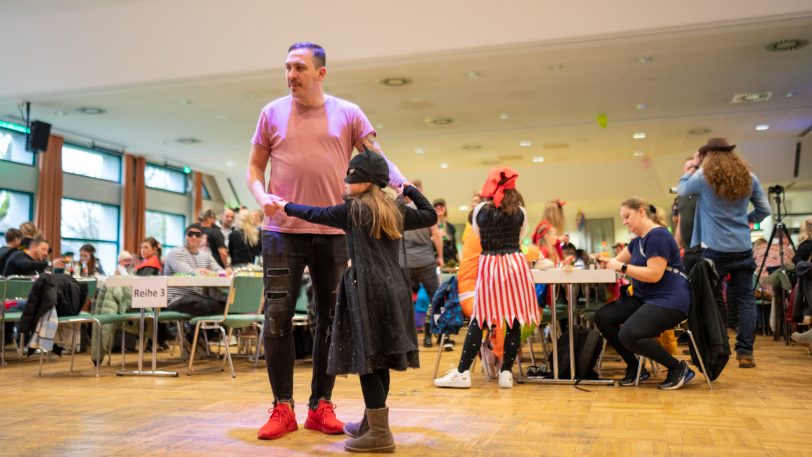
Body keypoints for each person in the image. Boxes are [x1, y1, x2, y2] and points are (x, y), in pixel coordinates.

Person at [245, 41, 408, 440]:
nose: (291, 75)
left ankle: (321, 405)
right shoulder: (271, 113)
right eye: (286, 67)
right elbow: (254, 167)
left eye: (299, 68)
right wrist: (260, 196)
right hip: (282, 233)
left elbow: (377, 159)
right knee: (278, 319)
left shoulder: (348, 112)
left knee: (330, 322)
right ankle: (282, 407)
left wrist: (405, 188)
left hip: (336, 232)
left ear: (321, 72)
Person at [273, 150, 435, 453]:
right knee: (383, 356)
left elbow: (313, 214)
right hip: (396, 290)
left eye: (352, 178)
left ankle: (380, 434)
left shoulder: (353, 211)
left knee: (369, 359)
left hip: (367, 290)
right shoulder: (394, 210)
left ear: (364, 183)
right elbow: (430, 214)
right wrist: (407, 187)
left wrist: (284, 206)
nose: (347, 183)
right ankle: (371, 423)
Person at [434, 167, 539, 390]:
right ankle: (506, 373)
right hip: (515, 265)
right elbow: (520, 238)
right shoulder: (521, 211)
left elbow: (479, 236)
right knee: (513, 320)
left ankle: (463, 373)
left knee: (480, 318)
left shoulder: (480, 209)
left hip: (490, 265)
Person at [678, 138, 770, 368]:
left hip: (714, 251)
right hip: (743, 248)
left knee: (714, 299)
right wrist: (746, 221)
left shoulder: (703, 177)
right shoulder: (749, 177)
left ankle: (720, 347)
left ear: (707, 155)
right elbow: (764, 210)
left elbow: (682, 191)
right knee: (746, 300)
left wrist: (694, 166)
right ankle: (746, 353)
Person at [594, 197, 694, 390]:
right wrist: (603, 260)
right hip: (647, 298)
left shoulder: (658, 236)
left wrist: (621, 267)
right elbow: (615, 262)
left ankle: (678, 368)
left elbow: (654, 275)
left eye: (627, 216)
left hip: (670, 301)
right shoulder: (637, 242)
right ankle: (636, 366)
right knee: (604, 317)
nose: (624, 222)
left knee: (629, 334)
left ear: (641, 211)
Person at [403, 180, 444, 349]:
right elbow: (436, 235)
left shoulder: (400, 210)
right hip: (426, 262)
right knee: (435, 299)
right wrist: (440, 256)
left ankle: (408, 340)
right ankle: (431, 335)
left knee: (404, 301)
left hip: (405, 262)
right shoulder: (427, 211)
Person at [163, 223, 226, 317]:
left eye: (197, 235)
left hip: (199, 298)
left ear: (202, 238)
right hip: (177, 299)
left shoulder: (206, 256)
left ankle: (205, 331)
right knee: (214, 306)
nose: (194, 237)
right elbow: (185, 272)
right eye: (190, 234)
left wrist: (216, 273)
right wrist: (203, 272)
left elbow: (220, 272)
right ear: (185, 236)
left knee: (224, 304)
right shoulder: (175, 253)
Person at [433, 199, 459, 267]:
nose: (438, 207)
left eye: (441, 205)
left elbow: (454, 247)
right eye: (436, 206)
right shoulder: (430, 227)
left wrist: (460, 262)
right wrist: (434, 238)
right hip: (436, 262)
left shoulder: (451, 226)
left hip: (451, 262)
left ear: (445, 208)